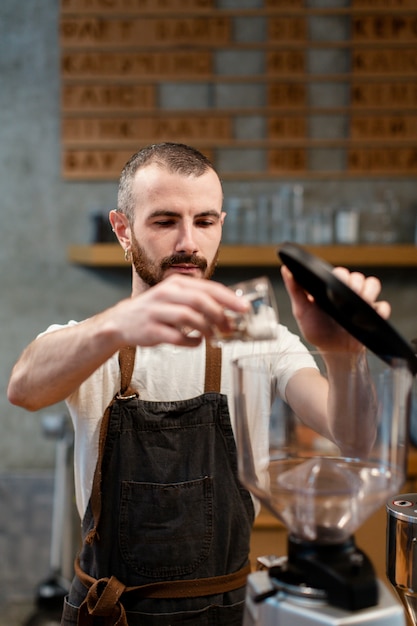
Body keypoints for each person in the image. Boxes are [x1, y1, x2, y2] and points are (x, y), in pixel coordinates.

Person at [8, 142, 390, 626]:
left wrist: (344, 353)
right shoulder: (92, 343)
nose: (188, 241)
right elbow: (22, 388)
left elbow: (354, 436)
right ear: (123, 230)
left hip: (225, 612)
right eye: (165, 221)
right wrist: (119, 325)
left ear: (220, 227)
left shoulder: (259, 338)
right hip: (112, 614)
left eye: (204, 222)